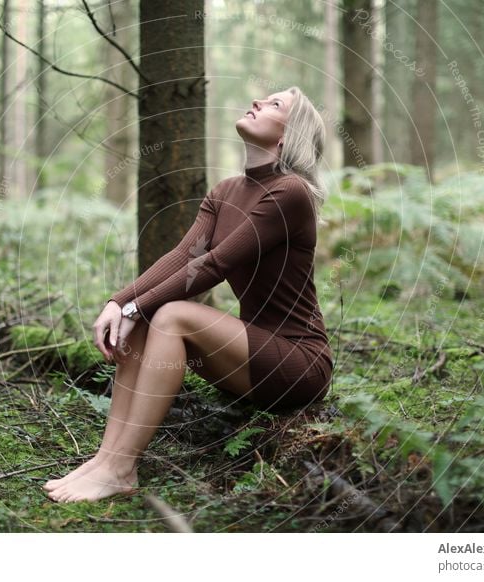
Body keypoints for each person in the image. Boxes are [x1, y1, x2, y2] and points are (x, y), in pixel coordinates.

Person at [43, 86, 334, 503]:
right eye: (262, 97)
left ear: (289, 135)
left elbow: (215, 265)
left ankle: (122, 467)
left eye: (274, 104)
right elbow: (183, 255)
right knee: (145, 317)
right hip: (252, 357)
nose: (256, 101)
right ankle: (108, 460)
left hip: (297, 363)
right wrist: (119, 302)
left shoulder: (290, 193)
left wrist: (135, 305)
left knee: (172, 314)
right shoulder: (226, 190)